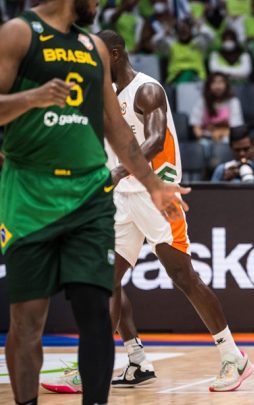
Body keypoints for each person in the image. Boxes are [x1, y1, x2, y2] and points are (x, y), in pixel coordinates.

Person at [0, 1, 189, 404]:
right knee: (28, 320)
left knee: (98, 311)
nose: (100, 5)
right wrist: (33, 98)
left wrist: (154, 184)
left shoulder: (94, 48)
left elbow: (117, 130)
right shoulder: (18, 33)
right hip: (31, 194)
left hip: (91, 194)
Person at [44, 30, 252, 395]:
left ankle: (233, 357)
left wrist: (117, 172)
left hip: (156, 193)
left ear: (116, 53)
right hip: (122, 197)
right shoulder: (103, 96)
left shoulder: (147, 90)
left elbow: (155, 142)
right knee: (105, 280)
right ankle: (120, 362)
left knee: (183, 276)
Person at [190, 72, 245, 152]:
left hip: (226, 137)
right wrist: (202, 135)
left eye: (221, 82)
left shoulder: (233, 101)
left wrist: (219, 133)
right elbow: (196, 125)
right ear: (209, 86)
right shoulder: (202, 101)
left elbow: (235, 128)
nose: (218, 86)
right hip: (207, 137)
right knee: (202, 146)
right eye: (214, 82)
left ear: (226, 85)